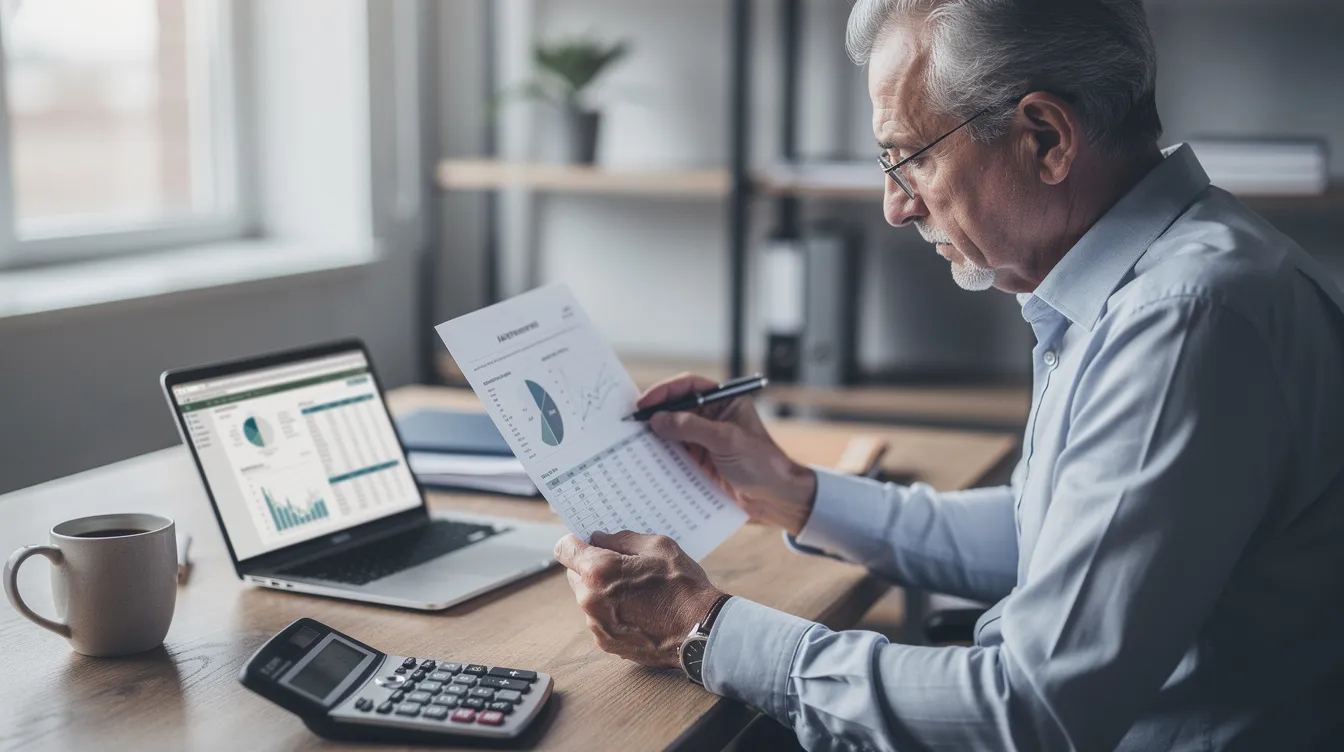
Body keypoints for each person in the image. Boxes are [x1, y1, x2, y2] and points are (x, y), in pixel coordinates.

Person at [554, 0, 1344, 749]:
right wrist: (792, 491)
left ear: (1047, 138)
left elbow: (1027, 713)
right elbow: (1050, 534)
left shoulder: (1182, 320)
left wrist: (702, 629)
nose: (896, 206)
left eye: (911, 158)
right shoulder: (1157, 280)